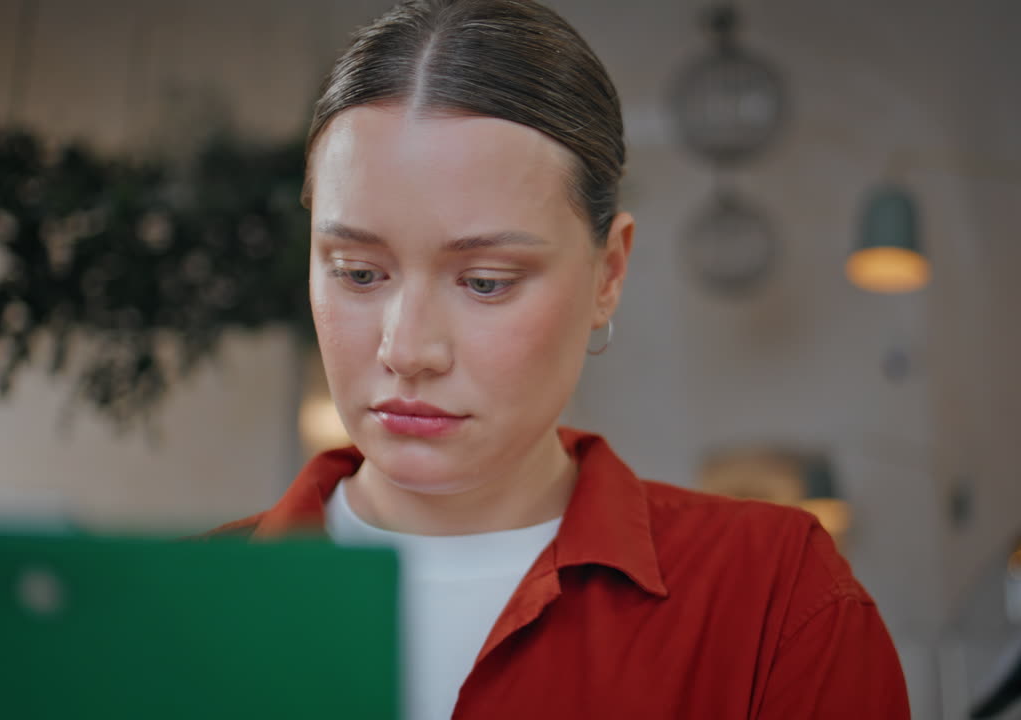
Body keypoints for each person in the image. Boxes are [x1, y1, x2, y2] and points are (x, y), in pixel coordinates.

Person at [211, 0, 910, 717]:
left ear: (607, 275)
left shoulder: (772, 599)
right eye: (358, 273)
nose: (408, 350)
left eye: (486, 282)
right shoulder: (177, 612)